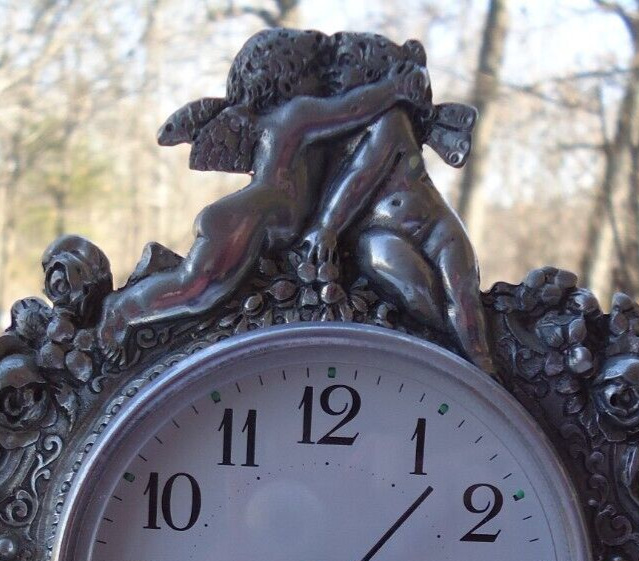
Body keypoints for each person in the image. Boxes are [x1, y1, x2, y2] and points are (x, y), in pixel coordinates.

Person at [98, 29, 430, 353]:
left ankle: (124, 312)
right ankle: (121, 311)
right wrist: (394, 88)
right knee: (197, 289)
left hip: (260, 214)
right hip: (255, 214)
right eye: (314, 70)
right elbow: (352, 109)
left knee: (197, 288)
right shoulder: (297, 112)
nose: (324, 78)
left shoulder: (272, 120)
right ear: (290, 77)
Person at [299, 32, 493, 372]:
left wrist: (327, 227)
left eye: (345, 65)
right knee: (415, 291)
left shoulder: (390, 120)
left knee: (464, 300)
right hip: (383, 234)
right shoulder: (337, 125)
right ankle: (448, 360)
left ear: (369, 73)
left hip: (437, 227)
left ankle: (484, 370)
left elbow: (362, 175)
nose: (335, 75)